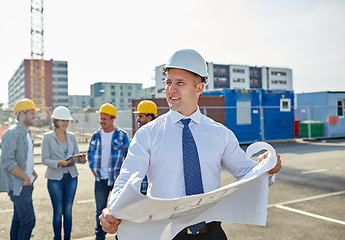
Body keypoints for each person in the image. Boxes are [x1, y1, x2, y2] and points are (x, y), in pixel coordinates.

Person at [99, 49, 282, 240]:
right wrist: (113, 209)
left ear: (199, 88)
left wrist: (267, 167)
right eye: (168, 82)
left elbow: (248, 173)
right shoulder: (147, 134)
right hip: (165, 234)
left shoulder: (220, 134)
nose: (171, 90)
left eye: (180, 83)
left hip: (212, 234)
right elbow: (128, 176)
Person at [41, 106, 86, 240]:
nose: (65, 123)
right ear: (55, 121)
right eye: (62, 121)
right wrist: (59, 163)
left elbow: (76, 156)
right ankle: (57, 237)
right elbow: (44, 159)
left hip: (71, 177)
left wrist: (81, 160)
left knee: (67, 211)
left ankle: (67, 238)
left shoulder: (72, 137)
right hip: (54, 179)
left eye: (67, 121)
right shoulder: (47, 137)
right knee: (58, 211)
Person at [87, 103, 130, 240]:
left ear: (112, 119)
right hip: (100, 180)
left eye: (104, 119)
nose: (101, 122)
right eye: (100, 118)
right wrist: (93, 169)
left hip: (117, 180)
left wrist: (120, 176)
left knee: (118, 210)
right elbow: (90, 153)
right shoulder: (95, 135)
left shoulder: (122, 135)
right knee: (100, 211)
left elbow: (128, 157)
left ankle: (121, 236)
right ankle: (100, 236)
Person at [0, 98, 38, 239]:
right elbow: (7, 161)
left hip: (25, 183)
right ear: (22, 114)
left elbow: (22, 156)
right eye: (32, 113)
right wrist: (25, 177)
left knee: (18, 220)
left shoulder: (26, 132)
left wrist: (31, 171)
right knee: (28, 221)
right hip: (19, 185)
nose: (35, 116)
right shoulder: (13, 133)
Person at [133, 100, 158, 195]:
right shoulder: (139, 136)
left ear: (149, 118)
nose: (137, 119)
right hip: (140, 189)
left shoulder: (159, 137)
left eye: (140, 116)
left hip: (153, 191)